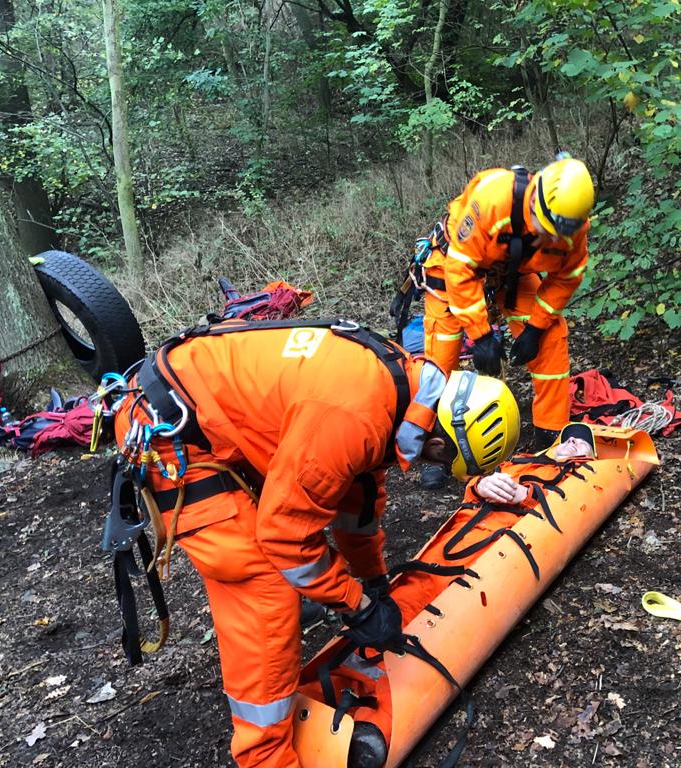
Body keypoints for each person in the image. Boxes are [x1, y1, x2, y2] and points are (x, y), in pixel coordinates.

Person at [110, 320, 520, 768]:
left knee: (293, 557)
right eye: (435, 458)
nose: (423, 463)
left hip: (205, 411)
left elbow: (357, 498)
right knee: (264, 585)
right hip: (171, 437)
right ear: (439, 442)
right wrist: (356, 606)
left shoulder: (400, 388)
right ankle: (264, 755)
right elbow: (286, 535)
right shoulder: (355, 414)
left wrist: (374, 581)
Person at [416, 155, 595, 488]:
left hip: (510, 278)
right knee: (439, 359)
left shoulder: (573, 229)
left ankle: (551, 435)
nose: (550, 240)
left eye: (558, 235)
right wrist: (481, 335)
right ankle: (436, 448)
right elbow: (460, 271)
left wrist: (536, 326)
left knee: (552, 338)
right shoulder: (493, 201)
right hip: (454, 269)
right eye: (546, 230)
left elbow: (567, 277)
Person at [473, 422, 595, 505]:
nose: (571, 440)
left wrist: (526, 495)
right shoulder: (523, 461)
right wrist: (479, 486)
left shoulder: (583, 475)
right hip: (469, 523)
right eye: (567, 441)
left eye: (583, 444)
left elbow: (571, 502)